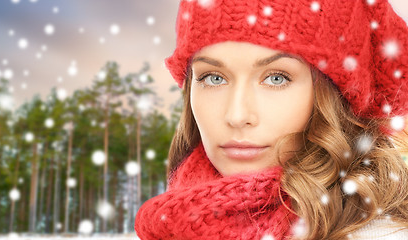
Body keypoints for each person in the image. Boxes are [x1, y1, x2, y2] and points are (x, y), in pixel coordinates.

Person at [135, 0, 408, 239]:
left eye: (277, 78)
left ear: (336, 95)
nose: (237, 116)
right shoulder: (173, 223)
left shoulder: (379, 234)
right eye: (213, 78)